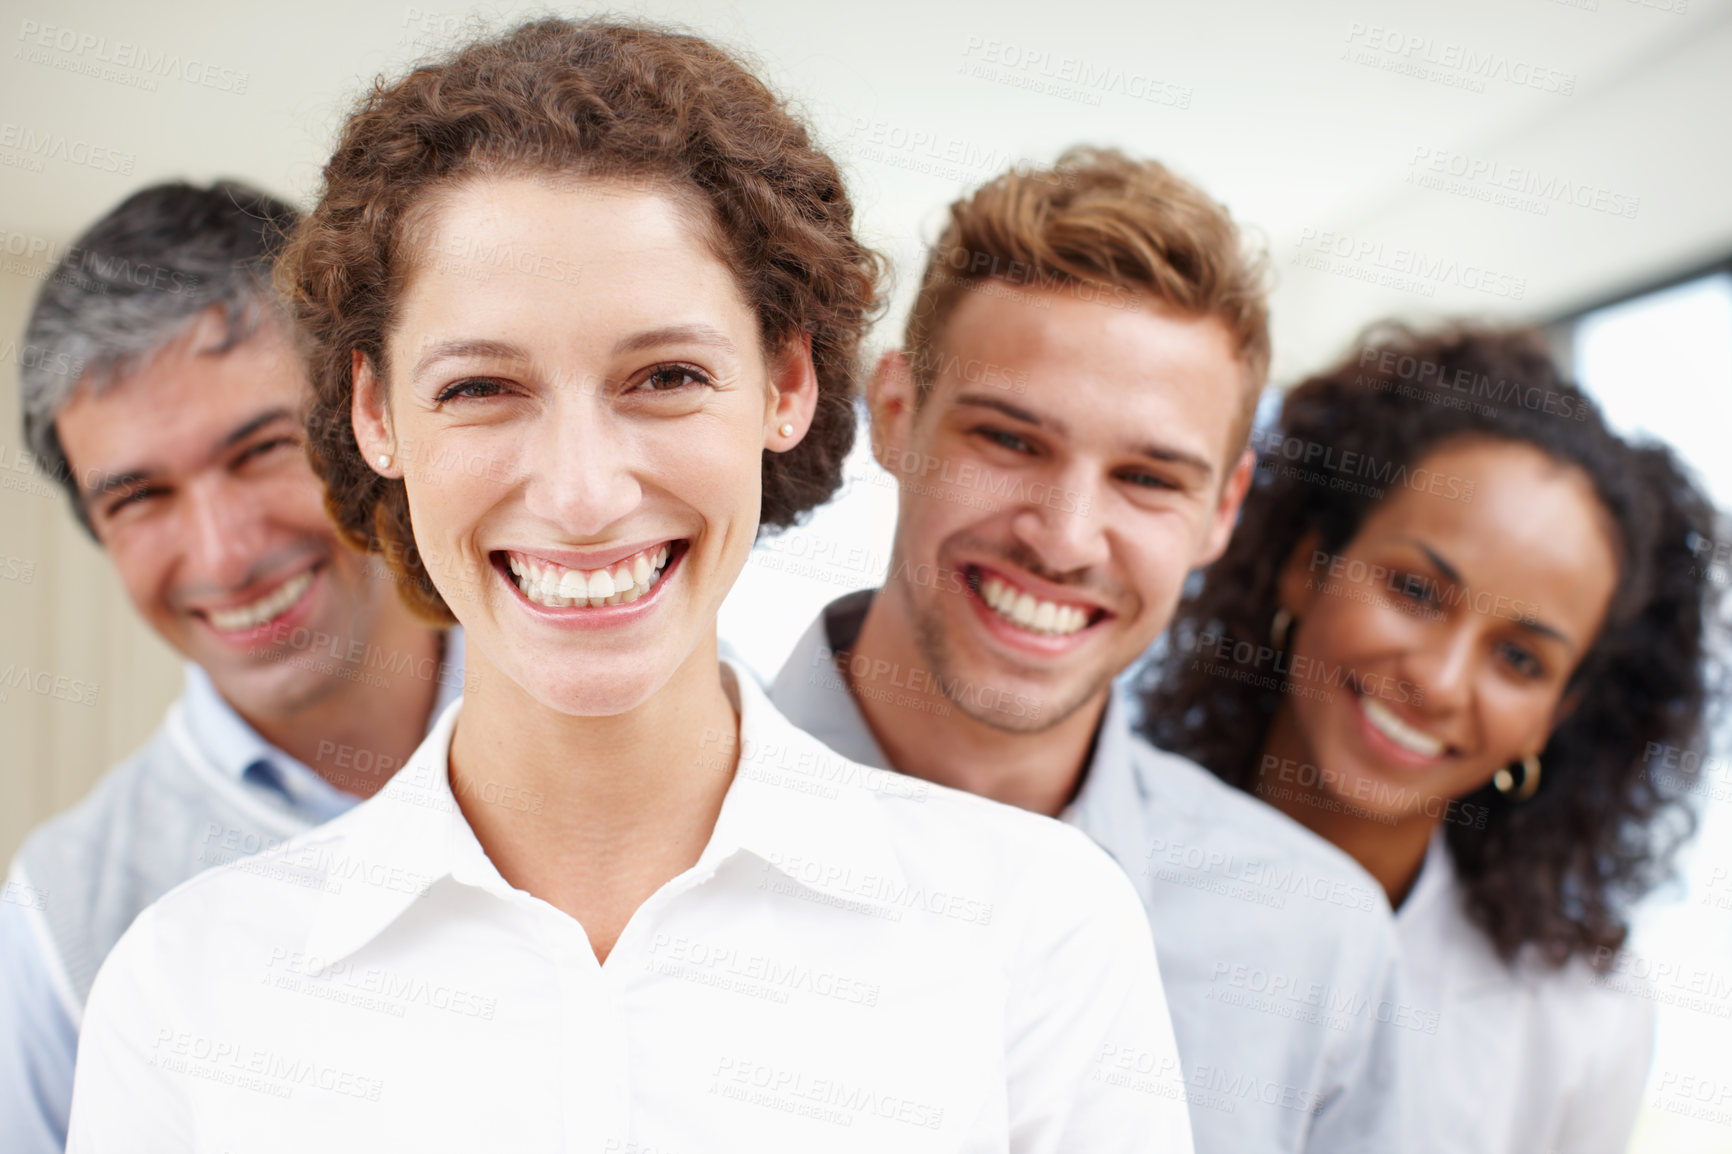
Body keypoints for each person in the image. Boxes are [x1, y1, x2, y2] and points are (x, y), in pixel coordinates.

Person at [66, 20, 1191, 1153]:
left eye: (666, 376)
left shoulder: (1037, 931)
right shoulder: (188, 995)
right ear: (375, 416)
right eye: (481, 387)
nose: (583, 492)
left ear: (787, 382)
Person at [771, 149, 1412, 1154]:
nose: (1065, 538)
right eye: (1010, 441)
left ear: (1221, 510)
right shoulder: (622, 838)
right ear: (894, 415)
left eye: (1148, 477)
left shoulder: (1312, 938)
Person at [1141, 325, 1723, 1153]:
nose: (1441, 682)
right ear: (1307, 565)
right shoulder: (1093, 851)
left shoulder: (1580, 1016)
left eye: (1520, 658)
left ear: (1559, 711)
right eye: (1415, 590)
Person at [1, 181, 463, 1154]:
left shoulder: (640, 709)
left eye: (261, 449)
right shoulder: (66, 917)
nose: (222, 551)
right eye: (139, 497)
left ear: (365, 419)